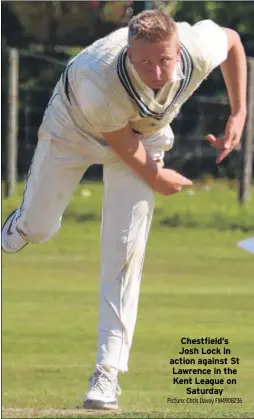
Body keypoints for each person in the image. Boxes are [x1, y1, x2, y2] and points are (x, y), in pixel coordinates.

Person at [2, 10, 247, 411]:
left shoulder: (198, 48)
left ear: (178, 47)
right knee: (40, 228)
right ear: (129, 54)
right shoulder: (98, 77)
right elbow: (121, 144)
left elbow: (233, 40)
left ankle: (106, 373)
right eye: (145, 62)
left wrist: (239, 113)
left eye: (165, 60)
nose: (156, 71)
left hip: (145, 139)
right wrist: (159, 178)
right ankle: (21, 225)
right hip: (74, 128)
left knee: (124, 253)